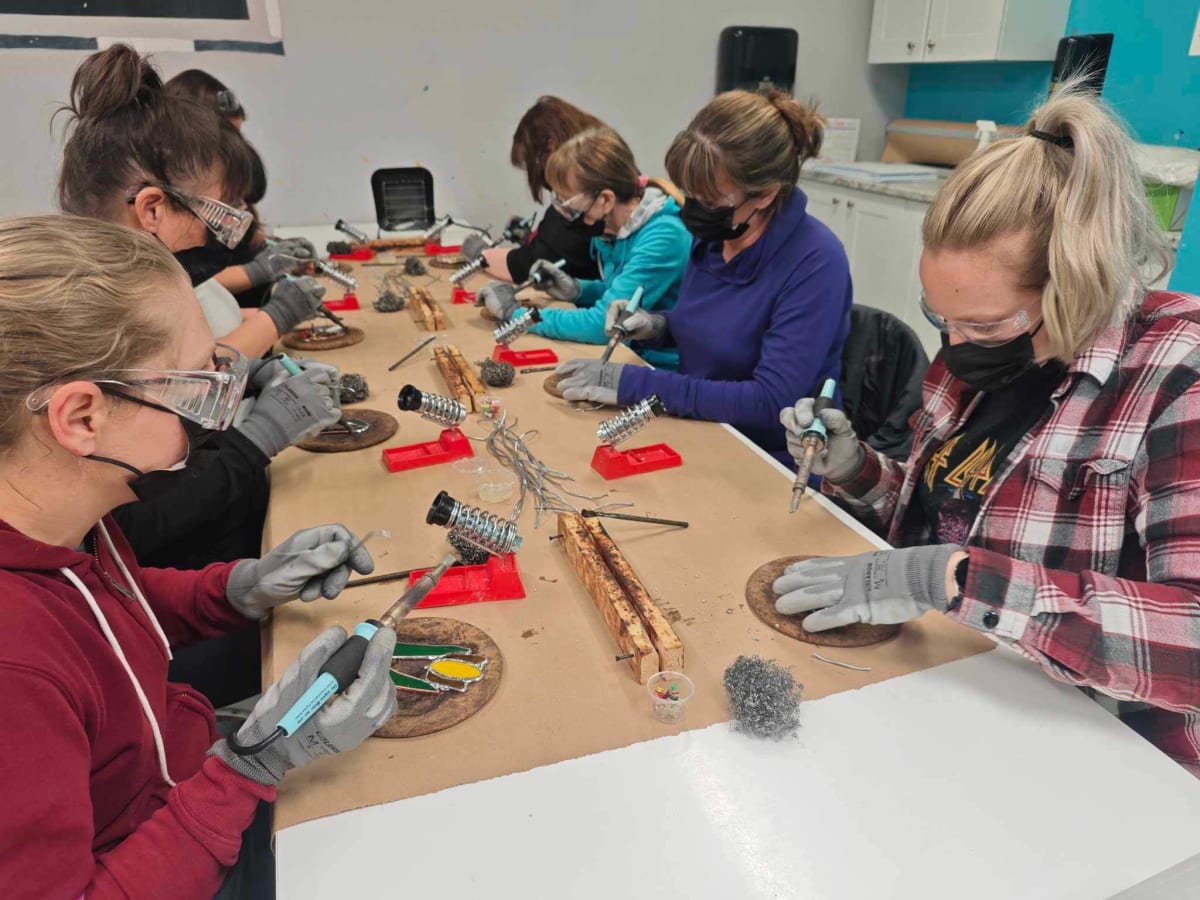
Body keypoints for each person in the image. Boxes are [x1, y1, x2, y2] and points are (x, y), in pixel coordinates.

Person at [772, 86, 1200, 777]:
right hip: (942, 683)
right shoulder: (975, 356)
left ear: (1074, 282)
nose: (955, 345)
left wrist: (956, 578)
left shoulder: (1178, 375)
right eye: (942, 319)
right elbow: (946, 520)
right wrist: (855, 469)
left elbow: (1192, 638)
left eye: (984, 325)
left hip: (1092, 755)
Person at [0, 214, 396, 898]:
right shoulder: (12, 672)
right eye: (188, 388)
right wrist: (247, 769)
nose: (210, 412)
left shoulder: (60, 518)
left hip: (180, 778)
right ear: (82, 418)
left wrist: (236, 588)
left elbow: (98, 611)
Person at [57, 45, 341, 705]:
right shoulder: (92, 333)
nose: (231, 239)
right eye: (219, 218)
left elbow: (108, 570)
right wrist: (248, 439)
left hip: (177, 606)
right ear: (152, 211)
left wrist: (234, 587)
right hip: (154, 657)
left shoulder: (136, 298)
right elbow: (126, 534)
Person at [555, 90, 851, 465]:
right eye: (690, 194)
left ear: (765, 194)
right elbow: (716, 326)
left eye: (709, 200)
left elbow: (772, 401)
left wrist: (634, 384)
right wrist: (657, 325)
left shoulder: (816, 262)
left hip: (767, 457)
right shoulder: (716, 234)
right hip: (699, 427)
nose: (692, 210)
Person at [58, 46, 327, 361]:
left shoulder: (160, 280)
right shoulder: (108, 318)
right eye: (217, 212)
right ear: (153, 210)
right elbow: (188, 381)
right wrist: (275, 314)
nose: (224, 231)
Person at [478, 126, 690, 368]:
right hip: (631, 354)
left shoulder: (664, 236)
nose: (565, 214)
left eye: (569, 204)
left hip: (658, 367)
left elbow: (605, 324)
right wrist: (578, 290)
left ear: (606, 200)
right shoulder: (617, 230)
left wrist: (516, 315)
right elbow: (622, 297)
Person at [471, 96, 603, 284]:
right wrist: (530, 238)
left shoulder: (586, 184)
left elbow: (533, 264)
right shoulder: (592, 168)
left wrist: (480, 255)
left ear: (551, 144)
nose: (540, 176)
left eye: (533, 163)